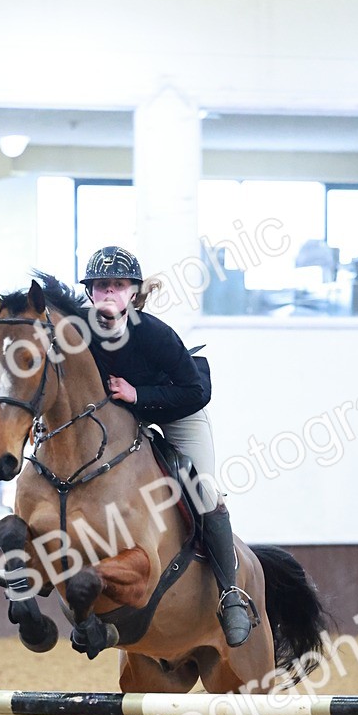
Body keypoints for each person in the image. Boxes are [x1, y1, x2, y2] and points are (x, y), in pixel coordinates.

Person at [81, 245, 254, 647]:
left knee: (204, 489)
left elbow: (196, 391)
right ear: (89, 294)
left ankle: (230, 593)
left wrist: (137, 394)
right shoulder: (81, 333)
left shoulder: (154, 334)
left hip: (179, 409)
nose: (109, 293)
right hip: (126, 420)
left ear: (133, 294)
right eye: (101, 285)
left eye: (118, 285)